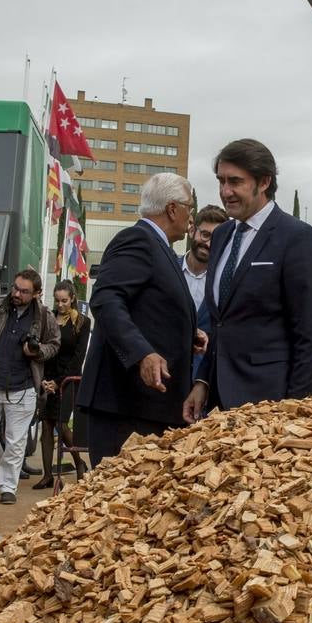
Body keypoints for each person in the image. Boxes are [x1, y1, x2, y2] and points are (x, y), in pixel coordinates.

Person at [182, 140, 312, 421]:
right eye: (221, 181)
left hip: (270, 404)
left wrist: (293, 410)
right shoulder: (222, 235)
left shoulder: (296, 237)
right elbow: (220, 323)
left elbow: (310, 334)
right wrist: (203, 382)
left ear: (264, 182)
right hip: (219, 404)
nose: (225, 192)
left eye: (235, 182)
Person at [79, 173, 202, 465]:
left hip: (146, 409)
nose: (191, 216)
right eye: (190, 207)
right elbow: (107, 299)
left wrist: (188, 334)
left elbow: (151, 310)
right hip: (125, 409)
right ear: (173, 209)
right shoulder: (137, 240)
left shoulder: (162, 250)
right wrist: (142, 353)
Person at [0, 268, 60, 502]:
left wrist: (36, 351)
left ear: (36, 293)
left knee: (16, 442)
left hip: (24, 386)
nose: (16, 293)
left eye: (24, 291)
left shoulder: (44, 317)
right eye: (15, 287)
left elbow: (54, 345)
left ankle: (8, 488)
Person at [32, 280, 90, 490]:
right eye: (57, 301)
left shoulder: (82, 322)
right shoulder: (49, 320)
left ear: (72, 298)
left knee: (61, 424)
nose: (61, 305)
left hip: (68, 380)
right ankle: (48, 475)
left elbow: (78, 357)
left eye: (64, 300)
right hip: (47, 378)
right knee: (46, 426)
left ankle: (78, 462)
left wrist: (58, 383)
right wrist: (45, 381)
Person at [182, 205, 227, 377]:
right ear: (192, 230)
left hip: (204, 378)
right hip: (164, 376)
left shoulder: (225, 283)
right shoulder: (168, 269)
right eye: (205, 234)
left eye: (216, 239)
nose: (208, 244)